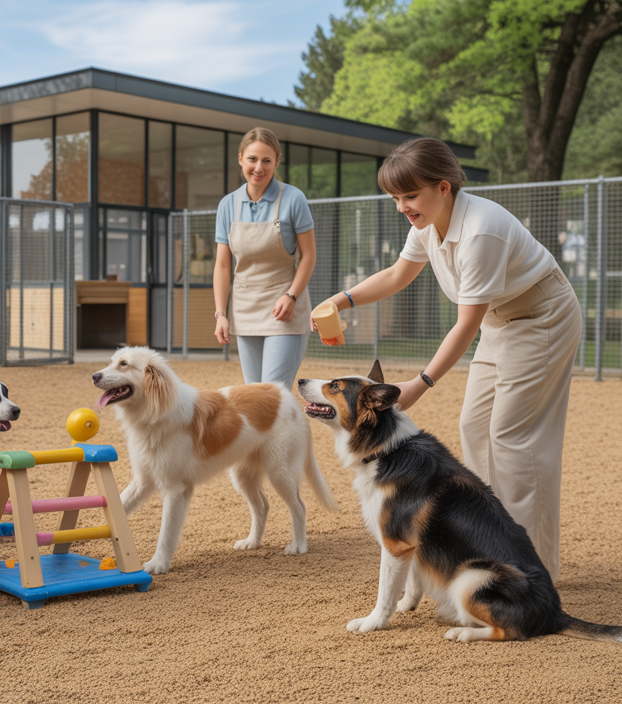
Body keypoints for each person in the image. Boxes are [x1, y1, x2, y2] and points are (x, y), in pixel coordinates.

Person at [312, 137, 580, 582]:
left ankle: (530, 574)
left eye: (409, 196)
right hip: (501, 321)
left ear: (443, 187)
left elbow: (465, 325)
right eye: (395, 198)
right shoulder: (427, 222)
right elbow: (399, 274)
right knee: (473, 427)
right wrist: (342, 301)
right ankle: (485, 548)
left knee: (514, 439)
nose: (402, 206)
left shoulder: (481, 231)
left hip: (541, 319)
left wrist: (422, 382)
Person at [213, 127, 317, 389]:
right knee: (253, 394)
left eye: (266, 160)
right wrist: (220, 313)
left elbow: (309, 256)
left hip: (284, 308)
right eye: (252, 159)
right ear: (240, 159)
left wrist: (291, 296)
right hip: (245, 308)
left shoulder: (293, 199)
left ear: (276, 162)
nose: (259, 167)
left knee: (274, 392)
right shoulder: (228, 204)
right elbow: (223, 265)